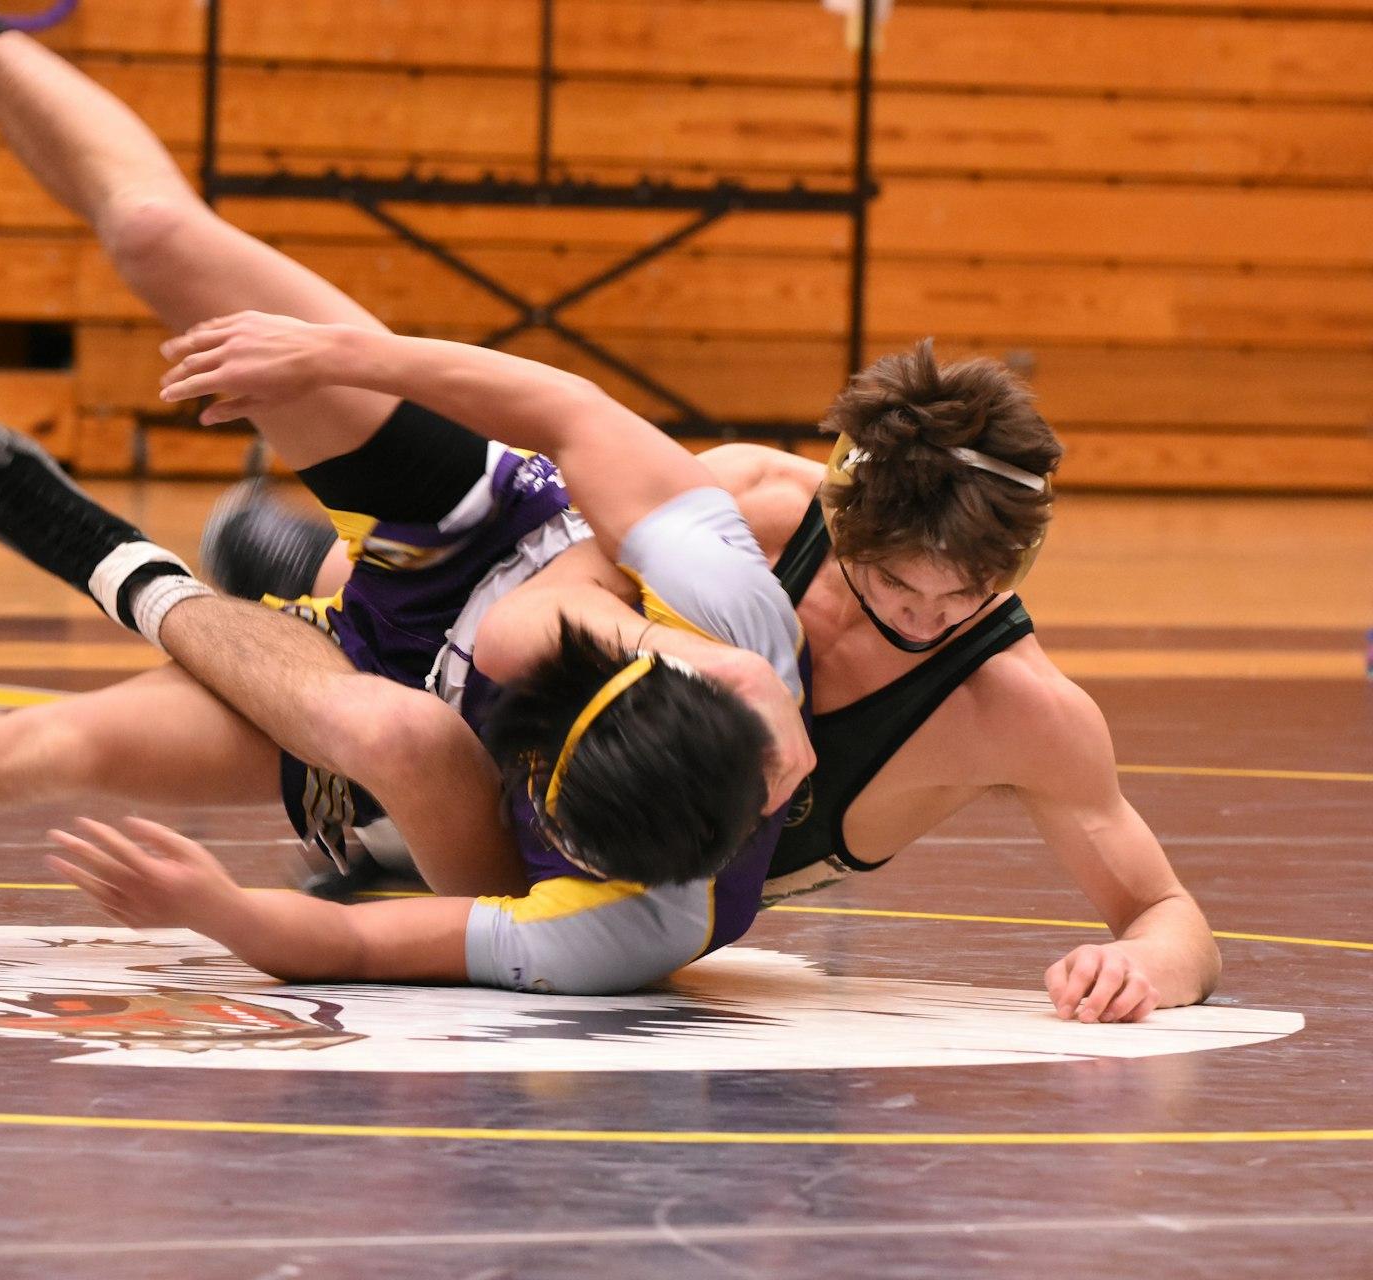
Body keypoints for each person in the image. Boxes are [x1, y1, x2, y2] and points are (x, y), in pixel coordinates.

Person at [0, 1, 813, 995]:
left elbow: (364, 951)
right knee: (158, 241)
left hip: (395, 723)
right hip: (485, 533)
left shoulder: (617, 925)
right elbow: (578, 418)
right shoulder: (735, 636)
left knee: (86, 748)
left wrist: (216, 907)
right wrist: (342, 358)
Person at [189, 334, 1224, 1025]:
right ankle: (296, 567)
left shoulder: (1022, 710)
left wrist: (1148, 967)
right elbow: (531, 610)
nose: (923, 616)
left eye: (964, 595)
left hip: (639, 858)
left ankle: (289, 590)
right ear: (841, 514)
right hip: (531, 704)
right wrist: (710, 660)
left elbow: (1166, 909)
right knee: (429, 641)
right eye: (893, 583)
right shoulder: (757, 505)